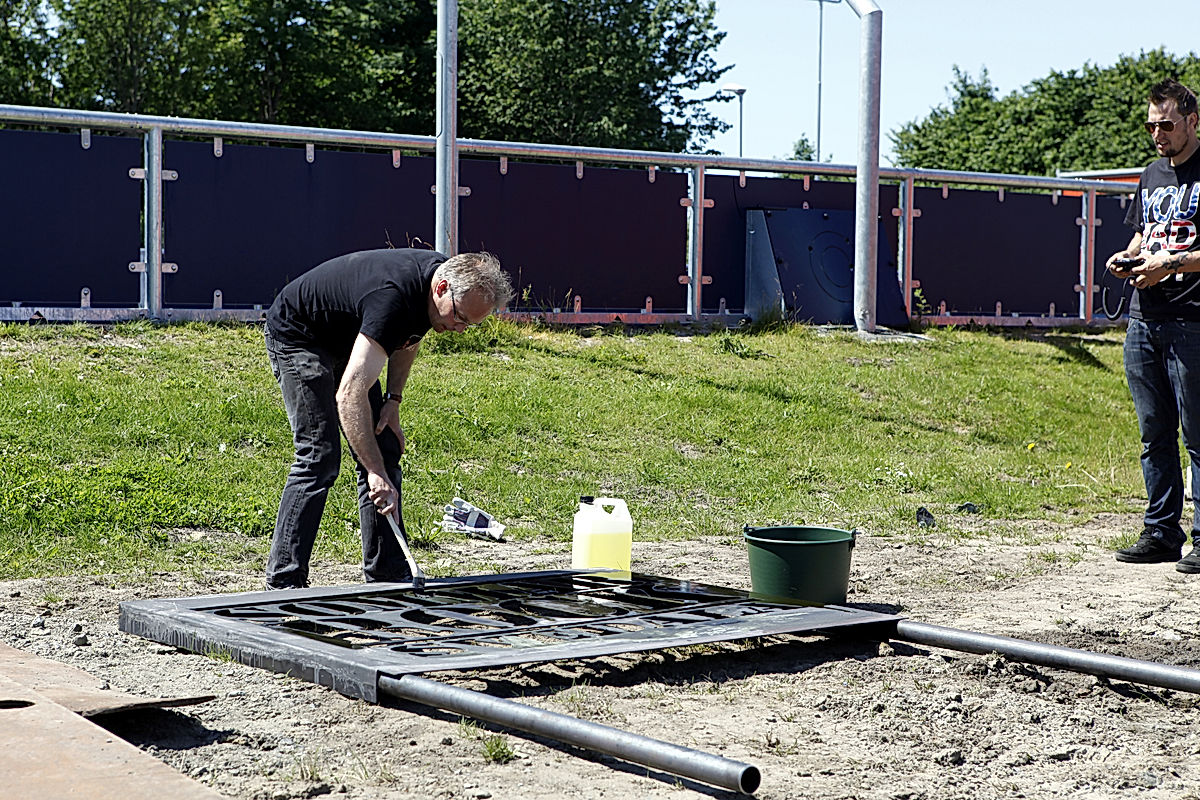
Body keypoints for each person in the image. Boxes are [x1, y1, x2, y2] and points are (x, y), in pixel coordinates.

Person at [262, 248, 513, 589]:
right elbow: (349, 395)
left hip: (348, 338)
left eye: (470, 324)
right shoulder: (393, 297)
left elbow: (408, 339)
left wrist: (393, 400)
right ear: (441, 289)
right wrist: (374, 473)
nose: (459, 328)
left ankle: (387, 573)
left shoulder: (437, 290)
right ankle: (284, 579)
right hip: (301, 335)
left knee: (385, 445)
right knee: (319, 456)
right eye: (460, 318)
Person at [1107, 79, 1200, 573]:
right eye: (1150, 126)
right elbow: (1145, 233)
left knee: (1198, 435)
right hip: (1145, 318)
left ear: (1192, 121)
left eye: (1166, 124)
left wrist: (1172, 263)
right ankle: (1162, 532)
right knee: (1154, 432)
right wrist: (1129, 257)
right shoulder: (1150, 174)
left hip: (1193, 319)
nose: (1157, 134)